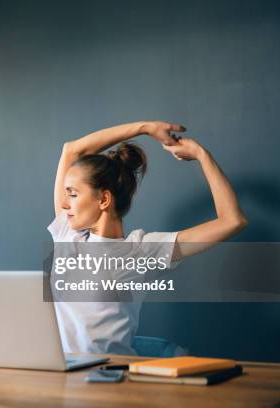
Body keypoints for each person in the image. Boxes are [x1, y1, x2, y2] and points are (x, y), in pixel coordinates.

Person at [48, 121, 248, 354]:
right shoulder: (67, 235)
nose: (63, 203)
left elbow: (233, 221)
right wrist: (145, 128)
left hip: (109, 377)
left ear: (103, 200)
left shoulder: (142, 251)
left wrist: (202, 156)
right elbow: (71, 150)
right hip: (60, 374)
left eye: (72, 194)